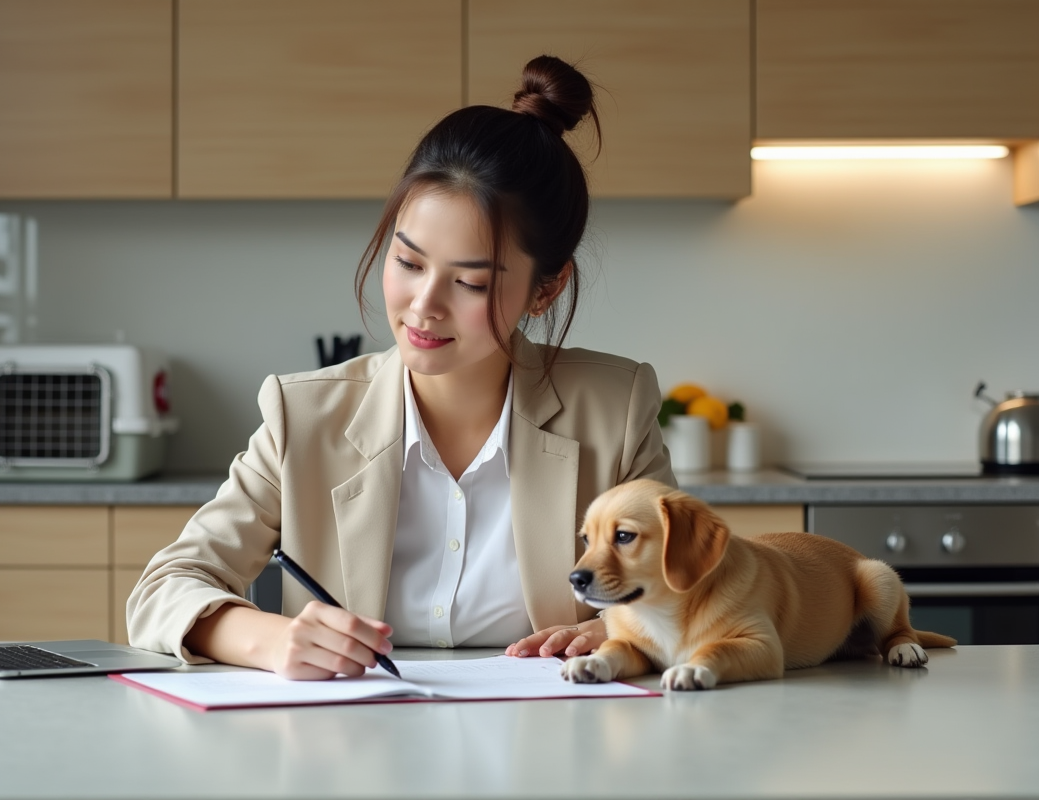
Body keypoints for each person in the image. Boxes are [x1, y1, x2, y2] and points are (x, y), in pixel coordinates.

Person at [126, 55, 676, 680]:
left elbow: (693, 585)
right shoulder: (302, 415)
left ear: (545, 290)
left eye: (468, 282)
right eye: (408, 262)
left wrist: (614, 626)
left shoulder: (615, 408)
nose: (423, 306)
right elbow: (163, 589)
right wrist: (269, 640)